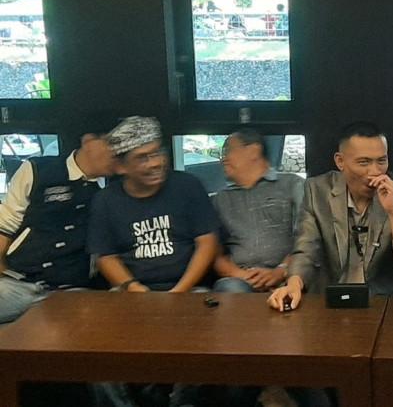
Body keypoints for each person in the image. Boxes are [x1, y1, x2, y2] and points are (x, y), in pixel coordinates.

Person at [268, 121, 393, 311]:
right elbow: (306, 247)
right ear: (340, 161)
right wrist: (294, 284)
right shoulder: (317, 190)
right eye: (364, 162)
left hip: (382, 302)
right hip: (330, 298)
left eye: (381, 161)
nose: (375, 171)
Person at [87, 116, 220, 293]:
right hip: (132, 291)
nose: (156, 163)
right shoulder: (105, 200)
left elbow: (207, 242)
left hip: (191, 288)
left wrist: (179, 292)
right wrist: (133, 287)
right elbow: (105, 257)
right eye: (142, 158)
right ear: (120, 166)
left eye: (157, 153)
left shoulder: (188, 186)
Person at [0, 132, 114, 324]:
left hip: (73, 290)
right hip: (19, 282)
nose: (117, 152)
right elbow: (6, 224)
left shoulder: (112, 191)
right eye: (111, 144)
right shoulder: (37, 170)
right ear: (88, 141)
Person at [212, 128, 304, 293]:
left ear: (254, 151)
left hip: (290, 276)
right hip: (240, 281)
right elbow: (214, 254)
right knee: (230, 289)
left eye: (228, 151)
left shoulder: (292, 185)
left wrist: (282, 270)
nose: (223, 159)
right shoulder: (220, 199)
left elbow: (308, 239)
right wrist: (243, 276)